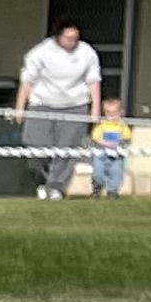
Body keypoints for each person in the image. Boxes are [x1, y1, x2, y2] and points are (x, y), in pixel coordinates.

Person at [16, 18, 103, 200]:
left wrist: (94, 108)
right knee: (36, 147)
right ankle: (43, 181)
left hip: (75, 106)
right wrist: (20, 108)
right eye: (68, 38)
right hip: (41, 105)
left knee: (68, 150)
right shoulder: (40, 52)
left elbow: (93, 81)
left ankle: (57, 187)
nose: (73, 42)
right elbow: (27, 81)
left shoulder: (87, 52)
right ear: (58, 36)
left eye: (76, 38)